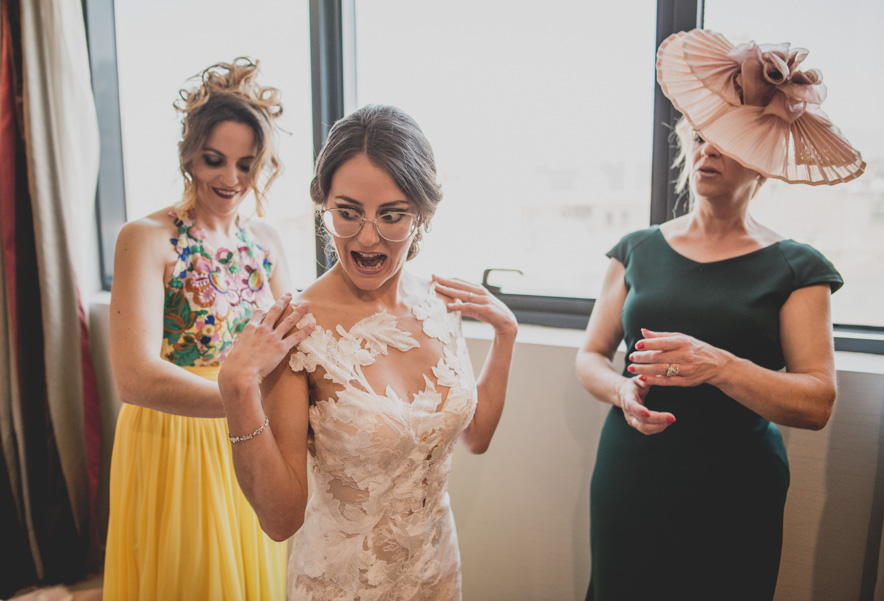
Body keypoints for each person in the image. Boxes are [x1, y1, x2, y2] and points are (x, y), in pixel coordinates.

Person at [576, 29, 864, 601]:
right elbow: (590, 356)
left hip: (737, 484)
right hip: (634, 469)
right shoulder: (637, 249)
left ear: (761, 163)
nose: (707, 151)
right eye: (701, 138)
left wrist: (719, 365)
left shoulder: (797, 268)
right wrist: (621, 394)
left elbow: (817, 402)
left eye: (726, 142)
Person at [218, 104, 518, 600]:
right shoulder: (297, 327)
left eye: (392, 215)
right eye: (348, 212)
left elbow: (476, 436)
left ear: (421, 214)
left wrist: (506, 336)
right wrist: (235, 390)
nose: (367, 237)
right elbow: (280, 519)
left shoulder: (441, 304)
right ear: (324, 206)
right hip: (343, 583)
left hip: (436, 568)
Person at [103, 58, 308, 600]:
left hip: (252, 435)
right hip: (176, 441)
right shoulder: (144, 238)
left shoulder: (265, 240)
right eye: (215, 160)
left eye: (247, 164)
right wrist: (241, 399)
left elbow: (294, 345)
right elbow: (135, 377)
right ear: (188, 154)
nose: (231, 179)